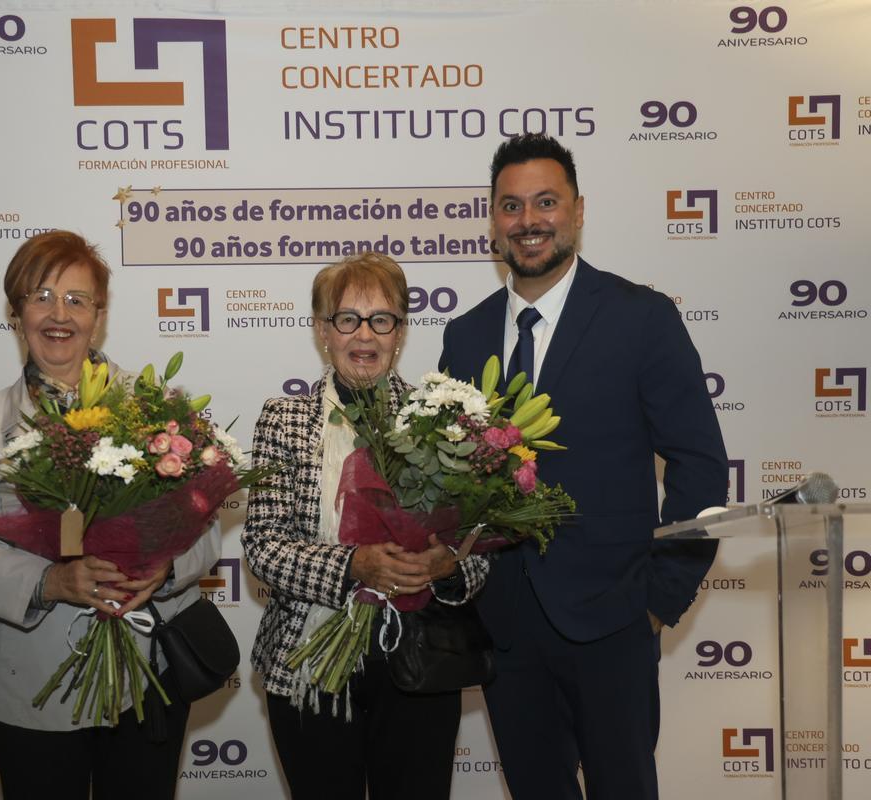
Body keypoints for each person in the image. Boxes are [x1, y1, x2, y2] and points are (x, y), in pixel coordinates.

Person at [438, 133, 728, 799]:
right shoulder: (466, 334)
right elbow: (453, 479)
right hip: (506, 627)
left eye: (546, 202)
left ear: (578, 209)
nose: (528, 221)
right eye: (510, 206)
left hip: (615, 621)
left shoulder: (641, 319)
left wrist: (658, 600)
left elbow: (701, 465)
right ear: (492, 220)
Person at [0, 230, 220, 800]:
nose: (59, 314)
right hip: (32, 679)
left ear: (99, 315)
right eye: (41, 296)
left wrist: (164, 572)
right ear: (16, 310)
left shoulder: (155, 407)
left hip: (149, 669)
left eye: (77, 300)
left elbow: (204, 528)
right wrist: (51, 580)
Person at [242, 252, 489, 800]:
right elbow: (263, 546)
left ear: (400, 332)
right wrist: (354, 565)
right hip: (308, 665)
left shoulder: (443, 418)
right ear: (321, 330)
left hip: (420, 662)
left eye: (382, 319)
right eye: (347, 318)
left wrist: (449, 565)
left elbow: (479, 550)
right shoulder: (283, 419)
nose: (365, 335)